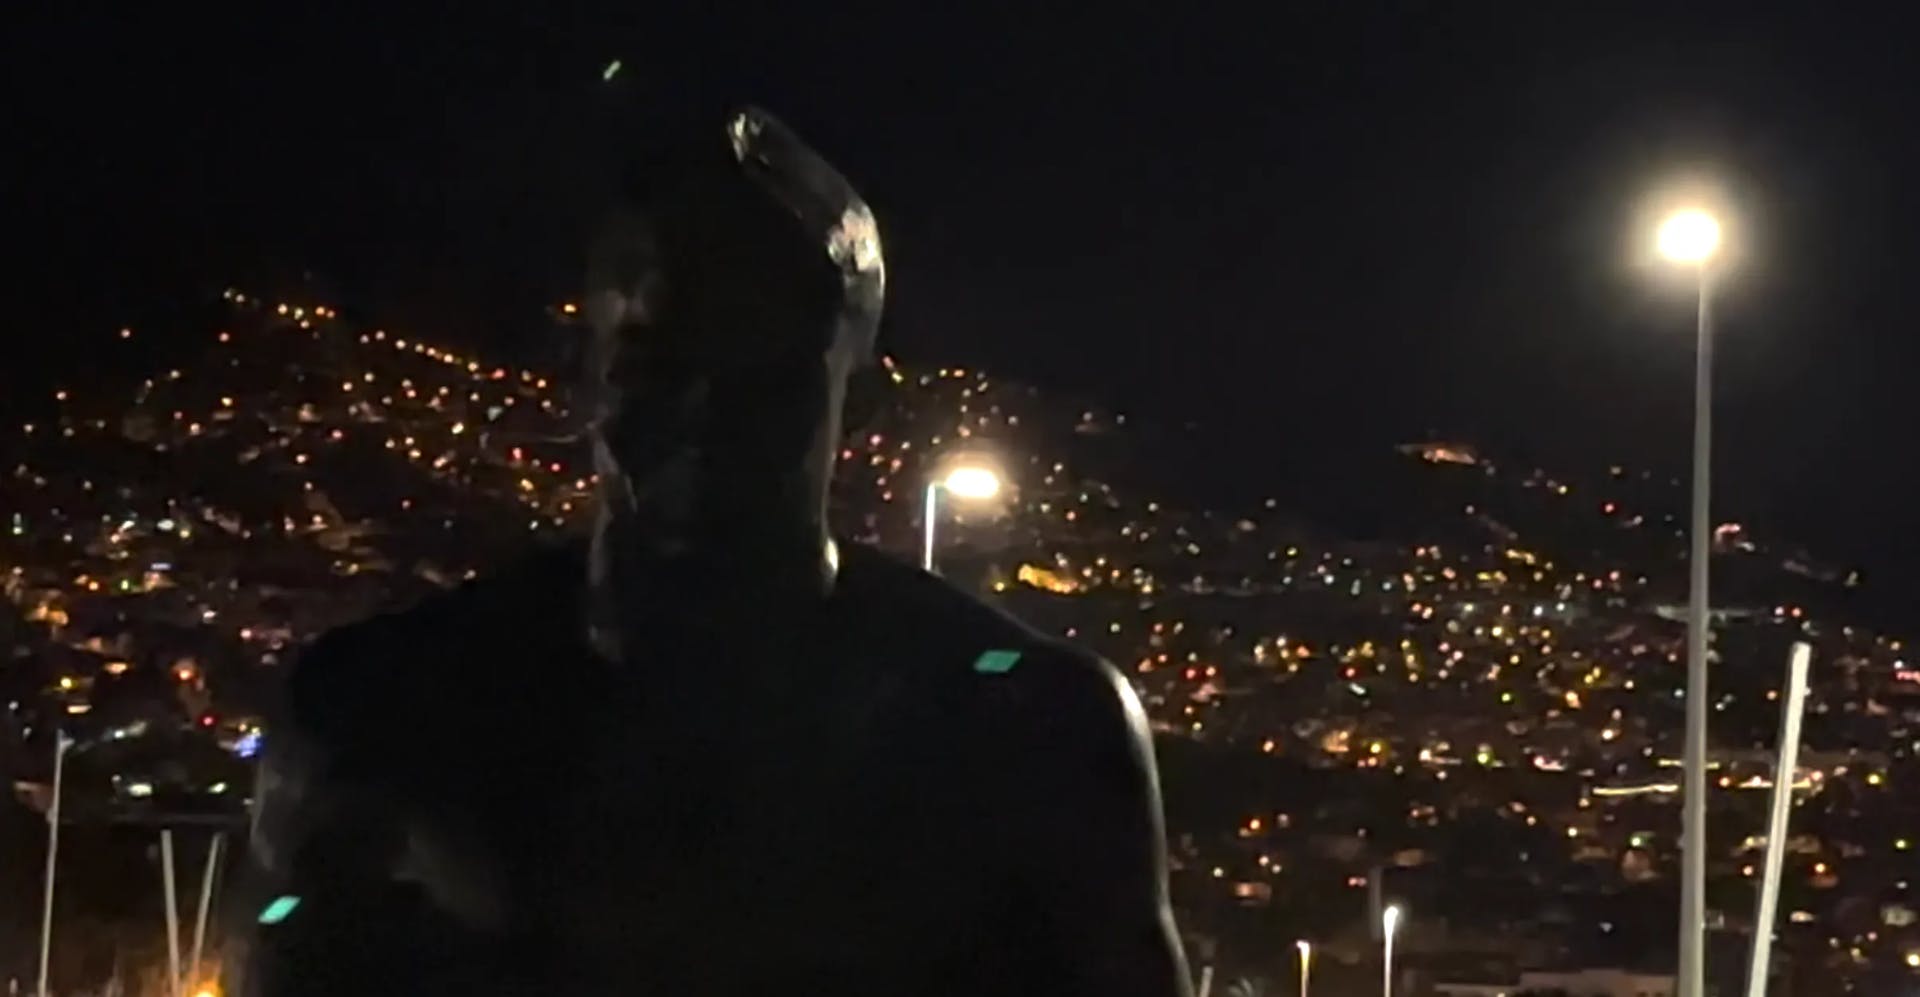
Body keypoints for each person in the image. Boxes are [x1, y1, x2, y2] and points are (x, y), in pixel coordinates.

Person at [227, 106, 1191, 997]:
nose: (705, 412)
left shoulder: (1033, 729)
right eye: (661, 355)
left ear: (856, 389)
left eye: (761, 362)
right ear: (591, 373)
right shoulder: (378, 713)